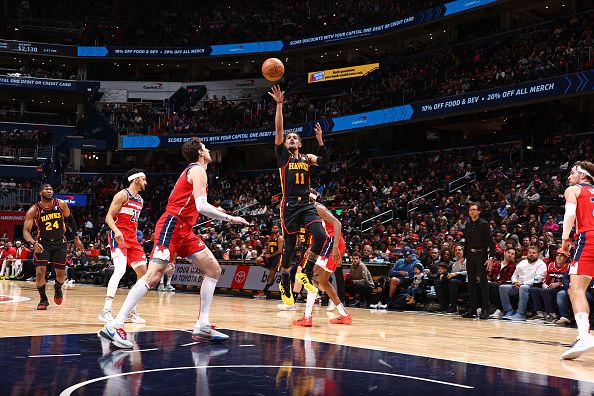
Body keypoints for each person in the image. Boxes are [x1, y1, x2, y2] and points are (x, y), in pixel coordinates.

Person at [99, 138, 248, 349]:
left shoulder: (196, 171)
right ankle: (115, 324)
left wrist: (212, 210)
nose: (208, 150)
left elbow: (195, 204)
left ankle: (203, 325)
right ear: (199, 153)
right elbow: (202, 206)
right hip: (171, 225)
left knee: (213, 270)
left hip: (184, 229)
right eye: (205, 148)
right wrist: (231, 218)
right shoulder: (198, 170)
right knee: (153, 276)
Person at [269, 85, 331, 306]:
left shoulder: (307, 157)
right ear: (285, 144)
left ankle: (304, 272)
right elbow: (278, 130)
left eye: (295, 137)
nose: (292, 139)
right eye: (289, 138)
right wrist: (279, 105)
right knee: (291, 244)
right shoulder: (283, 157)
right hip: (289, 206)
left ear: (301, 143)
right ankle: (285, 279)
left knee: (322, 236)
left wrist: (321, 141)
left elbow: (325, 163)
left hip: (306, 204)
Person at [99, 168, 149, 324]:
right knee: (120, 269)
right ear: (136, 180)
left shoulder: (140, 200)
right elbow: (108, 217)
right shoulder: (122, 195)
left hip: (132, 240)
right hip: (118, 236)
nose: (146, 182)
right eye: (144, 179)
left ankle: (130, 311)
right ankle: (106, 310)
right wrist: (116, 231)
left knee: (144, 274)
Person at [22, 184, 84, 310]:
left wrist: (76, 238)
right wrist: (33, 243)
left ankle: (57, 287)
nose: (49, 191)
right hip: (42, 243)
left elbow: (70, 220)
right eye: (46, 189)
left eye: (51, 189)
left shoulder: (61, 204)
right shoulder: (34, 209)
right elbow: (26, 232)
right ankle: (43, 299)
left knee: (61, 276)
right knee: (40, 273)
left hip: (60, 242)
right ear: (40, 193)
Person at [292, 193, 350, 326]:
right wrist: (312, 247)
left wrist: (335, 247)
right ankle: (344, 315)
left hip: (332, 242)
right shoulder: (310, 211)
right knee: (323, 281)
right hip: (329, 242)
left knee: (313, 276)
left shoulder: (318, 208)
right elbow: (321, 232)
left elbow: (338, 224)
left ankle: (307, 317)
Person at [560, 161, 594, 359]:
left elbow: (570, 213)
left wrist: (565, 238)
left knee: (576, 289)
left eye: (572, 173)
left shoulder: (574, 189)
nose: (569, 177)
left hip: (588, 238)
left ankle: (584, 336)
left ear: (582, 175)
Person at [461, 203, 495, 319]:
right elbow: (467, 241)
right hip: (470, 254)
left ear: (479, 211)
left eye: (474, 210)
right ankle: (472, 309)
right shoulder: (468, 224)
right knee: (470, 283)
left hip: (481, 254)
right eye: (470, 210)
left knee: (483, 283)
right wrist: (464, 256)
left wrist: (491, 257)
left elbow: (491, 242)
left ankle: (486, 309)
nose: (472, 212)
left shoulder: (484, 224)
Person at [498, 245, 547, 321]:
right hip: (517, 285)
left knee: (523, 288)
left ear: (538, 254)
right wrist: (515, 282)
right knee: (502, 288)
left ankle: (520, 313)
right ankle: (508, 311)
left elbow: (538, 279)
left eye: (534, 253)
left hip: (532, 287)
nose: (531, 254)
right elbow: (514, 275)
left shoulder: (541, 264)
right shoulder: (522, 262)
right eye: (530, 252)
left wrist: (522, 284)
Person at [528, 248, 569, 322]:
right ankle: (540, 314)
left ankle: (551, 315)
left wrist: (559, 284)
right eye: (557, 255)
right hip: (550, 288)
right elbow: (545, 279)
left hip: (562, 289)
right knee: (534, 290)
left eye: (561, 256)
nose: (559, 257)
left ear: (566, 258)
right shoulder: (551, 265)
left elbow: (570, 281)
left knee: (546, 292)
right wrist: (544, 284)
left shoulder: (569, 267)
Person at [254, 225, 284, 299]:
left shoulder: (280, 238)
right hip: (270, 256)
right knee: (258, 260)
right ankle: (271, 269)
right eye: (273, 228)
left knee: (271, 276)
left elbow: (280, 251)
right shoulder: (270, 238)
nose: (274, 229)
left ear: (278, 229)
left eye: (276, 228)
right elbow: (268, 249)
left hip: (277, 258)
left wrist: (270, 256)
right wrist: (263, 255)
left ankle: (264, 292)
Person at [487, 247, 517, 319]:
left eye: (512, 254)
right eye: (508, 252)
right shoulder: (496, 263)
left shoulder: (513, 266)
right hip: (494, 282)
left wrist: (495, 282)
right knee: (482, 284)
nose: (510, 255)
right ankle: (481, 307)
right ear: (504, 253)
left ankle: (500, 309)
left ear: (514, 256)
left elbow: (509, 279)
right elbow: (490, 275)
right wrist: (487, 279)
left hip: (504, 284)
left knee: (492, 285)